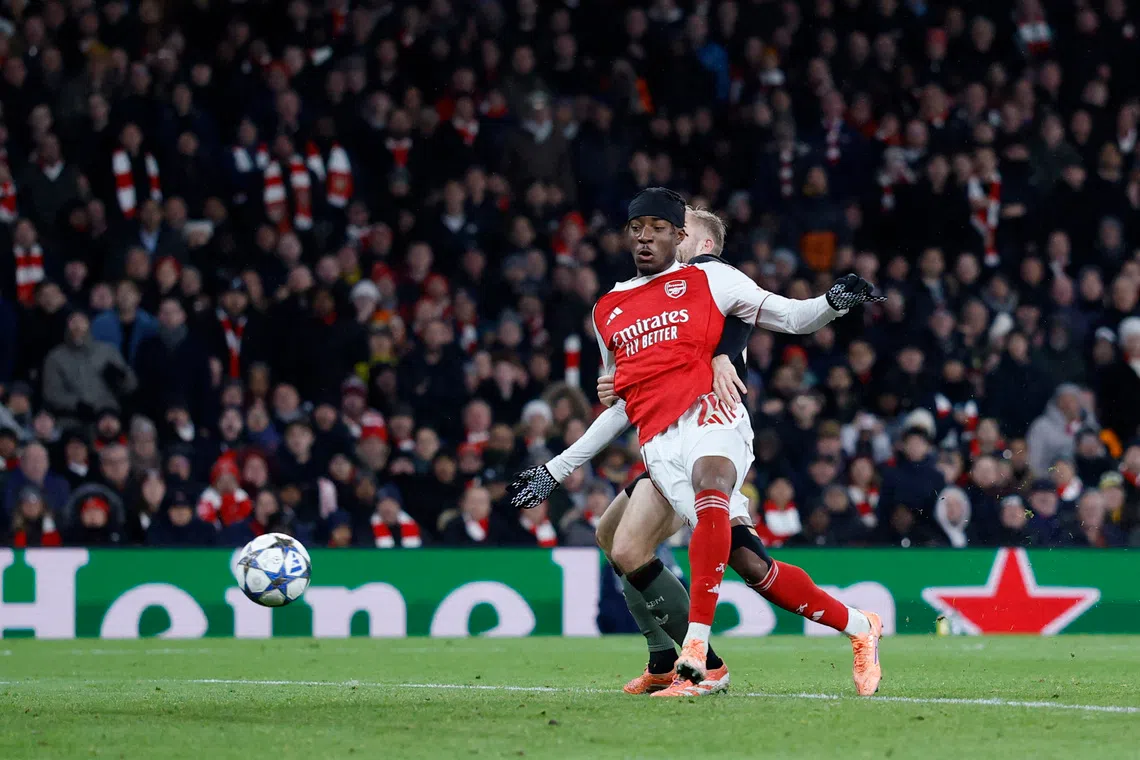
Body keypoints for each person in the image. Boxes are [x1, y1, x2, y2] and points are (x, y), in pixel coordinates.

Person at [511, 189, 883, 697]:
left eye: (658, 227)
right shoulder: (608, 309)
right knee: (735, 560)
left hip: (712, 416)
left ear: (681, 237)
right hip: (659, 445)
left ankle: (698, 659)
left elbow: (792, 317)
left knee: (707, 494)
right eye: (637, 228)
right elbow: (622, 401)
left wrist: (833, 302)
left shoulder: (712, 278)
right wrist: (554, 469)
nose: (646, 237)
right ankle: (859, 627)